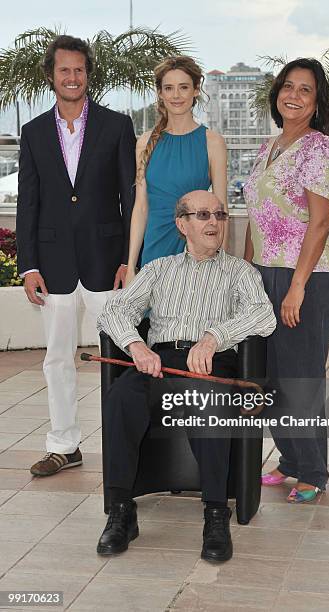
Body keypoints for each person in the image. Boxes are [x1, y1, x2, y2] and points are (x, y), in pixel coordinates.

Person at [97, 190, 276, 561]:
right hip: (158, 361)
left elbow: (264, 316)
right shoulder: (159, 269)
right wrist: (136, 347)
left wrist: (214, 337)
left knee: (206, 401)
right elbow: (113, 312)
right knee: (121, 397)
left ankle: (215, 513)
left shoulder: (240, 272)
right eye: (203, 215)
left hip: (210, 364)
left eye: (220, 215)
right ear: (182, 224)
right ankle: (121, 511)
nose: (214, 223)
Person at [16, 35, 136, 477]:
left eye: (79, 70)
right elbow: (27, 203)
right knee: (57, 359)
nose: (72, 77)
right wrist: (28, 266)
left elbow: (130, 196)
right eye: (64, 70)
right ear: (51, 75)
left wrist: (128, 258)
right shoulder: (32, 133)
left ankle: (126, 447)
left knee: (122, 357)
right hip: (53, 266)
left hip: (108, 264)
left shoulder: (117, 125)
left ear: (88, 75)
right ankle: (63, 445)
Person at [243, 58, 329, 503]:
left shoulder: (321, 147)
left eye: (306, 89)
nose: (294, 95)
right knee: (271, 375)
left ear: (316, 101)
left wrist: (298, 286)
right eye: (288, 86)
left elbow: (320, 223)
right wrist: (244, 275)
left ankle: (313, 472)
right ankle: (289, 459)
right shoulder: (270, 146)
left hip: (307, 276)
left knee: (301, 376)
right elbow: (256, 218)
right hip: (265, 273)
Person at [124, 56, 227, 284]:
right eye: (168, 88)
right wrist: (131, 266)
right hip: (154, 250)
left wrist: (222, 266)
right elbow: (141, 208)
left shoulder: (213, 142)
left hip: (198, 252)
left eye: (183, 87)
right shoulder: (145, 143)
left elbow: (221, 210)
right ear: (160, 93)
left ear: (196, 90)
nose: (176, 95)